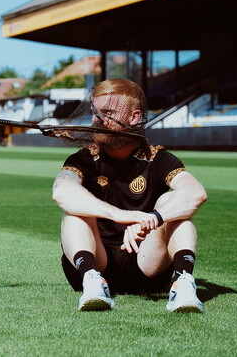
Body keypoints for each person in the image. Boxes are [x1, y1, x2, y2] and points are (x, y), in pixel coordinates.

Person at [51, 79, 208, 313]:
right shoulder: (83, 159)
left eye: (108, 112)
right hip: (97, 263)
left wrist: (152, 219)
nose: (97, 119)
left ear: (134, 117)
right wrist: (122, 215)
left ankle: (184, 283)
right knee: (74, 211)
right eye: (96, 113)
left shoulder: (159, 159)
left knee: (172, 204)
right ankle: (93, 282)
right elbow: (62, 191)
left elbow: (196, 193)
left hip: (147, 266)